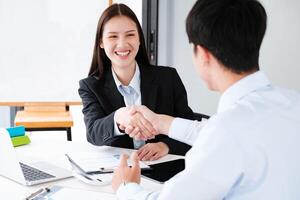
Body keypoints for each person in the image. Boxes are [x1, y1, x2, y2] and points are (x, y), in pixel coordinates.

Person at [111, 0, 300, 199]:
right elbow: (216, 133)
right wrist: (160, 122)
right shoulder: (292, 103)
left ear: (203, 54)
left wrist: (126, 187)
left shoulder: (227, 131)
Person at [78, 3, 195, 161]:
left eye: (130, 35)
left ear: (139, 39)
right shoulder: (90, 86)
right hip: (119, 170)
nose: (122, 44)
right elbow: (93, 133)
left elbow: (189, 126)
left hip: (163, 166)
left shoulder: (168, 77)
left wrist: (165, 146)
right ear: (101, 43)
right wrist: (119, 117)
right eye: (113, 36)